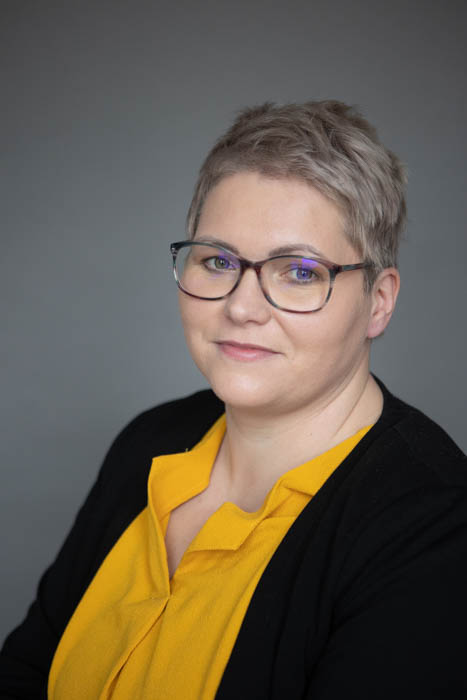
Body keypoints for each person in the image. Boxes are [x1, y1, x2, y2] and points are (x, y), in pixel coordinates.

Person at [1, 100, 467, 700]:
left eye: (300, 271)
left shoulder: (435, 528)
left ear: (379, 301)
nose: (242, 307)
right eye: (218, 261)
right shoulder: (150, 441)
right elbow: (25, 670)